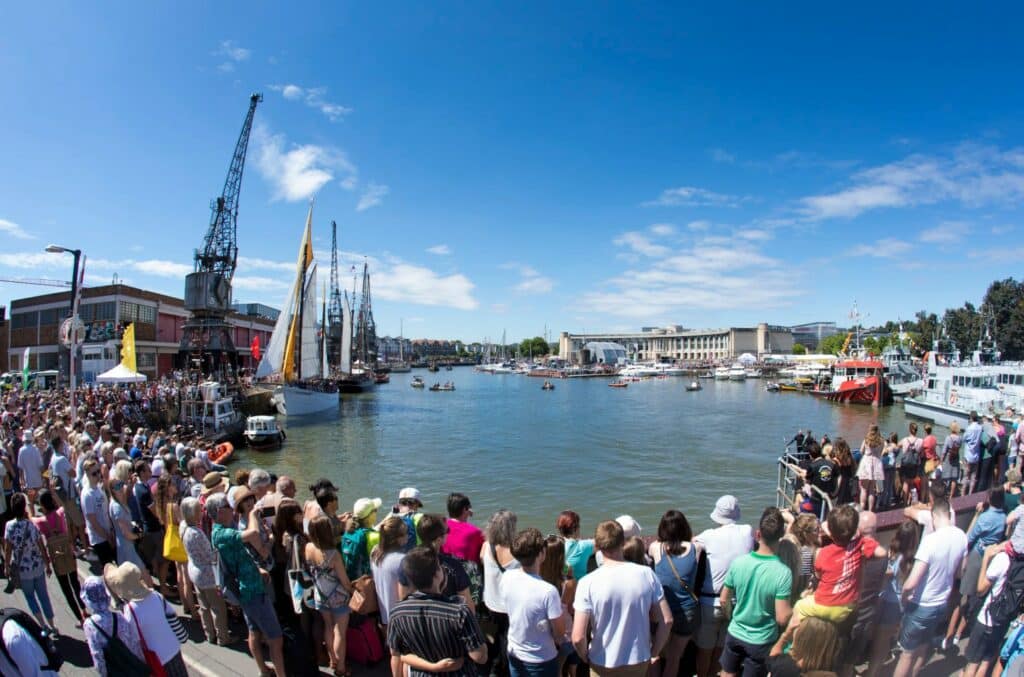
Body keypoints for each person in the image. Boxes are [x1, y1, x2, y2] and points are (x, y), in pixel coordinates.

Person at [774, 504, 885, 653]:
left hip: (825, 602)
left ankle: (787, 644)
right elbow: (882, 553)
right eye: (816, 529)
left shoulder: (821, 553)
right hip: (843, 605)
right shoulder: (855, 547)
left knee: (800, 607)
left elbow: (818, 576)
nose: (820, 531)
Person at [572, 519, 672, 677]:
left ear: (597, 546)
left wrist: (584, 656)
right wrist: (655, 651)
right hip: (638, 658)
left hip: (602, 660)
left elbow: (578, 637)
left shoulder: (587, 582)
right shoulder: (646, 574)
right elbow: (667, 620)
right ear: (623, 542)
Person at [208, 491, 286, 677]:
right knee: (276, 639)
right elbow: (252, 534)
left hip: (247, 587)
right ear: (219, 512)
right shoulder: (221, 534)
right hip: (252, 591)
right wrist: (252, 515)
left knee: (254, 631)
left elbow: (239, 557)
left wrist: (257, 569)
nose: (232, 510)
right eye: (228, 507)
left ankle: (263, 670)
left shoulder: (224, 531)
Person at [386, 546, 488, 677]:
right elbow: (480, 657)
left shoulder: (397, 612)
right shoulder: (459, 613)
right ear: (437, 575)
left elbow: (397, 653)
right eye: (440, 567)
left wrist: (433, 667)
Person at [894, 498, 967, 677]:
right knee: (922, 648)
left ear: (934, 516)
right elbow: (960, 573)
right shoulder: (961, 536)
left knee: (907, 654)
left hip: (921, 603)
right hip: (941, 603)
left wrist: (904, 597)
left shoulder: (930, 541)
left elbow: (912, 582)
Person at [719, 507, 792, 677]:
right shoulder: (783, 572)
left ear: (758, 535)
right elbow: (782, 618)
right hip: (761, 640)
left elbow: (724, 600)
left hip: (735, 632)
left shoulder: (738, 563)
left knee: (727, 673)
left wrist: (732, 617)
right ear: (780, 537)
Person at [693, 495, 755, 677]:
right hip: (736, 601)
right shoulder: (747, 531)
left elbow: (692, 542)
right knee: (722, 647)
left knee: (705, 648)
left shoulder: (709, 535)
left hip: (710, 602)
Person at [946, 488, 1007, 650]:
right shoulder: (1004, 517)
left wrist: (977, 514)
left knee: (962, 597)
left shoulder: (985, 517)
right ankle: (959, 634)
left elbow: (968, 538)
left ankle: (949, 636)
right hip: (991, 558)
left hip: (977, 557)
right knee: (975, 599)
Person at [499, 528, 566, 677]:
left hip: (515, 651)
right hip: (542, 658)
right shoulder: (548, 591)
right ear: (541, 554)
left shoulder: (507, 577)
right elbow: (560, 632)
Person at [103, 561, 188, 677]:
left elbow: (133, 638)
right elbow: (172, 616)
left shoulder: (130, 610)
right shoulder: (155, 595)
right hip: (173, 648)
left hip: (157, 658)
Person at [648, 509, 703, 677]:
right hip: (687, 612)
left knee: (655, 655)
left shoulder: (655, 548)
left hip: (662, 611)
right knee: (674, 658)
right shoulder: (697, 548)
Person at [866, 521, 920, 677]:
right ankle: (873, 673)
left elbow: (886, 575)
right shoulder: (911, 561)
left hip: (881, 600)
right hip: (895, 605)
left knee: (877, 641)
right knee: (882, 643)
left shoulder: (890, 552)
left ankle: (871, 673)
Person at [180, 497, 233, 646]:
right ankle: (223, 637)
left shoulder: (184, 527)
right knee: (218, 607)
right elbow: (210, 556)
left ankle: (209, 634)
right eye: (198, 510)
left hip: (195, 571)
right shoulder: (197, 533)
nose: (201, 512)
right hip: (207, 574)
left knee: (204, 606)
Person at [306, 513, 355, 677]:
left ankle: (332, 659)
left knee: (328, 626)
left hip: (321, 594)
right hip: (338, 597)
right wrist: (353, 592)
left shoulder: (308, 548)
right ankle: (341, 667)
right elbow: (345, 581)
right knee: (340, 631)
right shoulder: (333, 554)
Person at [3, 492, 56, 633]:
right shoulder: (31, 525)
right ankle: (52, 625)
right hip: (37, 566)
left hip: (23, 570)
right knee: (43, 595)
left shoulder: (9, 526)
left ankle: (42, 624)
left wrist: (7, 566)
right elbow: (41, 546)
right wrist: (47, 564)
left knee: (30, 597)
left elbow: (8, 549)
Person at [33, 489, 86, 625]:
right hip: (69, 554)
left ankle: (80, 618)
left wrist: (30, 503)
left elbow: (30, 518)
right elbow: (63, 506)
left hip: (57, 560)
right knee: (75, 584)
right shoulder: (60, 514)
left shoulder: (42, 522)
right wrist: (55, 495)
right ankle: (84, 609)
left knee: (67, 590)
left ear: (42, 505)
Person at [962, 541, 1015, 677]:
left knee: (972, 664)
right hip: (1004, 620)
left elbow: (980, 589)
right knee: (985, 663)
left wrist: (986, 558)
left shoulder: (1003, 559)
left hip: (986, 619)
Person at [401, 514, 473, 610]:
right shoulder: (453, 566)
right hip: (448, 618)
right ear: (439, 539)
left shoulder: (407, 561)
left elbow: (403, 596)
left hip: (416, 618)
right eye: (447, 531)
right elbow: (467, 602)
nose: (448, 533)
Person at [481, 509, 520, 677]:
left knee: (497, 635)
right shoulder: (517, 553)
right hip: (509, 605)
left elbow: (482, 560)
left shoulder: (486, 546)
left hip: (490, 601)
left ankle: (496, 667)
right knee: (508, 637)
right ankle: (505, 667)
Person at [80, 575, 144, 677]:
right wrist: (141, 663)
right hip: (131, 667)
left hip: (114, 671)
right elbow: (133, 642)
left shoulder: (90, 625)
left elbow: (97, 655)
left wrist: (104, 674)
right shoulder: (117, 616)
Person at [156, 472, 196, 615]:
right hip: (179, 542)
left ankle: (185, 605)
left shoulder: (161, 504)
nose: (175, 486)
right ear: (168, 487)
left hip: (171, 542)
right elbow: (182, 523)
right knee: (186, 579)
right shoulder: (173, 505)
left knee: (180, 575)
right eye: (172, 484)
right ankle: (193, 609)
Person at [108, 475, 153, 586]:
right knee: (146, 578)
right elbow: (126, 533)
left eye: (121, 484)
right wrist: (139, 535)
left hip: (126, 544)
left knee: (135, 580)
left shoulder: (118, 502)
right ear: (112, 490)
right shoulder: (117, 507)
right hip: (127, 545)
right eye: (117, 486)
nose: (121, 487)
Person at [765, 617, 840, 677]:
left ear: (801, 639)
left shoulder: (785, 667)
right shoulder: (830, 672)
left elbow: (773, 657)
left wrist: (785, 635)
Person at [80, 458, 116, 566]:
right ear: (87, 474)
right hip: (99, 538)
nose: (97, 475)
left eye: (98, 472)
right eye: (94, 473)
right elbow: (93, 521)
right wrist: (107, 537)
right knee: (108, 568)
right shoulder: (87, 494)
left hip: (107, 532)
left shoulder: (98, 488)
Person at [444, 492, 485, 563]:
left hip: (445, 567)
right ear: (464, 510)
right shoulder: (474, 531)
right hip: (465, 571)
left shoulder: (441, 526)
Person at [556, 510, 595, 582]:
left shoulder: (554, 544)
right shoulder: (584, 545)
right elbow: (603, 541)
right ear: (576, 528)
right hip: (579, 587)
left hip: (561, 586)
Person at [858, 424, 885, 511]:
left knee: (864, 489)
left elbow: (861, 451)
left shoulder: (866, 439)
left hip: (866, 464)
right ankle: (870, 511)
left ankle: (862, 509)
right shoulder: (881, 441)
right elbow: (880, 453)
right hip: (876, 464)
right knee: (871, 491)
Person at [17, 429, 44, 517]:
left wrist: (21, 480)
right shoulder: (35, 450)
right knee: (38, 497)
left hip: (28, 480)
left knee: (31, 501)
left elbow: (20, 467)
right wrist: (43, 477)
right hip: (37, 479)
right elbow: (40, 465)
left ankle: (33, 516)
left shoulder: (21, 450)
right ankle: (43, 516)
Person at [939, 422, 964, 498]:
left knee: (945, 477)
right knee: (954, 478)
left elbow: (944, 451)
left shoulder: (948, 438)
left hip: (948, 458)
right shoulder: (960, 438)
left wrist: (941, 460)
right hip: (956, 458)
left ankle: (943, 493)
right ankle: (951, 496)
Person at [965, 411, 984, 496]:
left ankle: (963, 494)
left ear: (971, 418)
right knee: (974, 477)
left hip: (969, 454)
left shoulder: (969, 428)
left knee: (967, 476)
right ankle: (970, 494)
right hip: (976, 454)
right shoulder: (980, 427)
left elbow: (964, 438)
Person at [832, 438, 856, 506]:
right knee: (847, 500)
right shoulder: (849, 457)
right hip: (848, 479)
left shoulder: (837, 459)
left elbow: (838, 468)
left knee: (840, 501)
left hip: (841, 480)